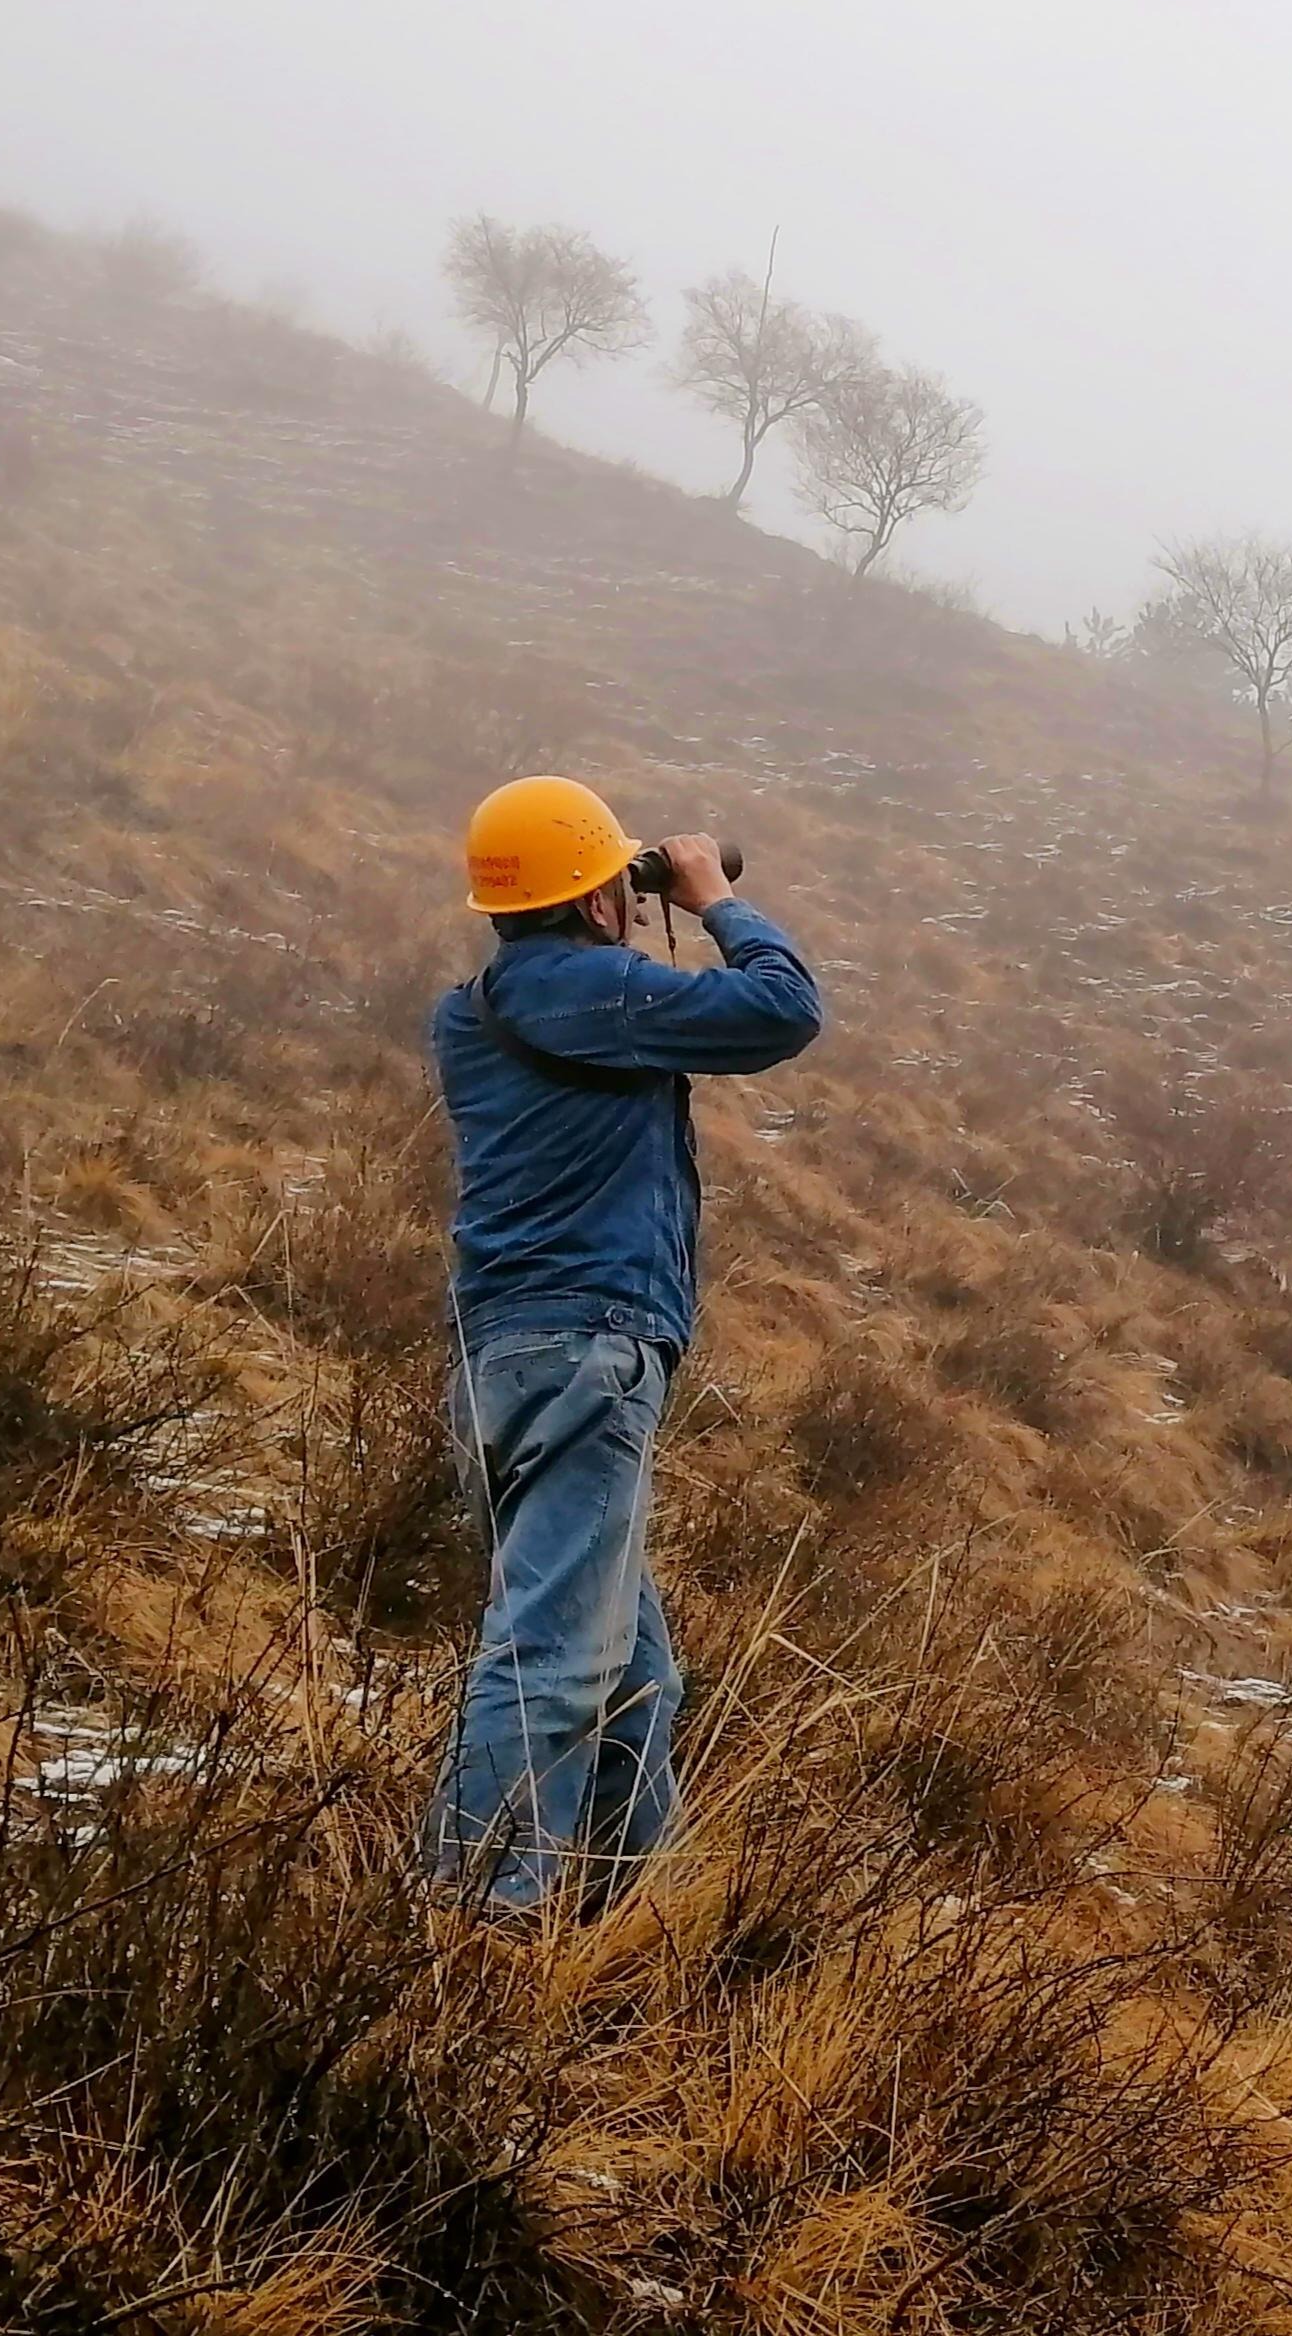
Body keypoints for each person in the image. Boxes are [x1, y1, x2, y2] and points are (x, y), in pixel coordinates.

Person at [425, 773, 821, 1914]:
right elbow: (781, 1010)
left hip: (502, 1359)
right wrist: (708, 897)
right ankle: (482, 1928)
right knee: (551, 1657)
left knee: (637, 1674)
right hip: (586, 1350)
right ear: (597, 902)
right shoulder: (593, 991)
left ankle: (629, 1920)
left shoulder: (482, 1008)